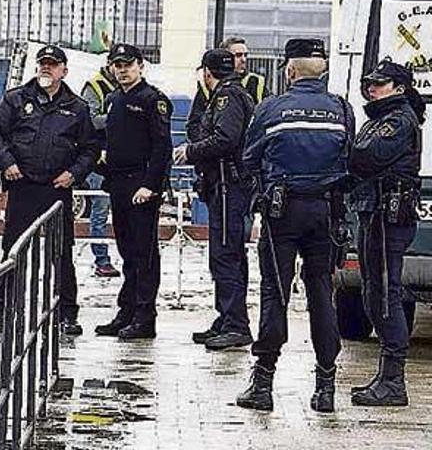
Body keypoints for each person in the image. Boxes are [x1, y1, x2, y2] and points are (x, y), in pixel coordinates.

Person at [237, 38, 354, 413]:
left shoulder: (272, 108)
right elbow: (350, 159)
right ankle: (325, 387)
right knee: (322, 295)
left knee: (276, 294)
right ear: (322, 71)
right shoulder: (340, 109)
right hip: (325, 213)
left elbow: (248, 159)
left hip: (281, 214)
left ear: (289, 70)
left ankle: (263, 383)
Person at [0, 44, 99, 336]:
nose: (46, 68)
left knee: (61, 254)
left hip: (56, 189)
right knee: (13, 251)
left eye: (53, 64)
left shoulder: (77, 107)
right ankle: (1, 311)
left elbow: (90, 148)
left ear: (64, 71)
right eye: (43, 64)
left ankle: (67, 314)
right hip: (22, 186)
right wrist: (6, 162)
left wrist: (74, 174)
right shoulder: (15, 99)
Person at [349, 60, 425, 407]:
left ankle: (394, 382)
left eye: (379, 84)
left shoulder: (398, 120)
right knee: (373, 291)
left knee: (385, 294)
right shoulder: (381, 118)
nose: (371, 89)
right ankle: (386, 375)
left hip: (388, 216)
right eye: (370, 83)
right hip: (375, 212)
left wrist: (345, 150)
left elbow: (366, 156)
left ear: (398, 88)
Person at [174, 49, 255, 350]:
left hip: (228, 186)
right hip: (223, 185)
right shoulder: (231, 93)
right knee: (225, 253)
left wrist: (191, 152)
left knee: (226, 254)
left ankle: (235, 323)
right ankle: (226, 317)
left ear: (207, 73)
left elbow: (225, 138)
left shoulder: (227, 97)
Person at [93, 44, 173, 340]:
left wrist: (150, 185)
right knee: (127, 251)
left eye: (128, 64)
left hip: (142, 184)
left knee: (144, 253)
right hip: (118, 182)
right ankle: (126, 310)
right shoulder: (114, 99)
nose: (122, 70)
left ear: (140, 65)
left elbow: (161, 146)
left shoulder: (153, 100)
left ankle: (144, 316)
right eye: (117, 65)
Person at [80, 62, 121, 278]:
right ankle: (102, 260)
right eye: (119, 65)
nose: (122, 70)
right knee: (100, 210)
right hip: (98, 160)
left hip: (120, 159)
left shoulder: (126, 86)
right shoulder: (94, 86)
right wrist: (119, 118)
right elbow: (91, 120)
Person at [187, 36, 268, 128]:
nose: (243, 60)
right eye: (238, 55)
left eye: (245, 55)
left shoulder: (255, 83)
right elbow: (194, 123)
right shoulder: (208, 86)